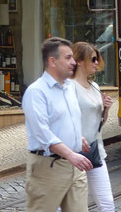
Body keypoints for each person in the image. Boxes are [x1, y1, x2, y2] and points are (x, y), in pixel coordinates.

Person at [22, 37, 92, 212]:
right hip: (48, 168)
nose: (74, 62)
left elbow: (66, 121)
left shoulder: (70, 87)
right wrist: (70, 154)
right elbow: (42, 133)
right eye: (68, 58)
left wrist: (78, 138)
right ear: (52, 61)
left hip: (75, 167)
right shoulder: (36, 92)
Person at [71, 42, 115, 211]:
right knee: (71, 204)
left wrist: (106, 109)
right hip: (74, 153)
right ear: (80, 61)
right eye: (93, 59)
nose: (97, 63)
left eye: (97, 59)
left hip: (95, 150)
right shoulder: (69, 87)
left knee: (107, 204)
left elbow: (99, 123)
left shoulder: (95, 87)